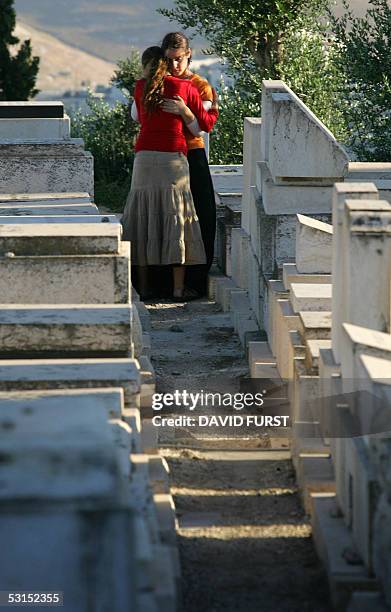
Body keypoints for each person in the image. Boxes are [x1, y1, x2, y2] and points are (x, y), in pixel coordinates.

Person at [121, 46, 218, 301]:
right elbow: (204, 125)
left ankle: (143, 288)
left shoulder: (140, 87)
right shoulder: (185, 87)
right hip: (173, 158)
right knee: (178, 220)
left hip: (143, 159)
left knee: (141, 220)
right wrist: (188, 111)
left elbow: (138, 117)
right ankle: (177, 289)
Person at [161, 32, 217, 298]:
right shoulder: (158, 83)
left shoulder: (200, 85)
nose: (175, 65)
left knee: (202, 215)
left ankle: (197, 279)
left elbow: (200, 127)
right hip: (164, 154)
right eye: (170, 60)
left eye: (179, 59)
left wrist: (184, 111)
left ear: (189, 55)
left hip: (192, 152)